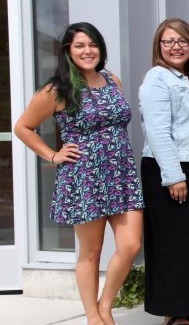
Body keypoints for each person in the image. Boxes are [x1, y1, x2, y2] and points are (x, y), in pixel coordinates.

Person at [14, 22, 144, 325]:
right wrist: (53, 154)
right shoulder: (57, 90)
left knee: (131, 246)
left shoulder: (113, 80)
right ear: (68, 52)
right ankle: (94, 317)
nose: (88, 51)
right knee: (91, 252)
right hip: (84, 177)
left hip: (121, 175)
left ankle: (105, 304)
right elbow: (22, 127)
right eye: (80, 46)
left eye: (93, 45)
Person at [138, 18, 189, 325]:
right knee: (176, 244)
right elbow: (158, 131)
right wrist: (174, 176)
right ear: (159, 47)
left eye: (182, 41)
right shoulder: (157, 78)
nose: (176, 47)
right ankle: (173, 314)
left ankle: (184, 307)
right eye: (169, 41)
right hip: (174, 170)